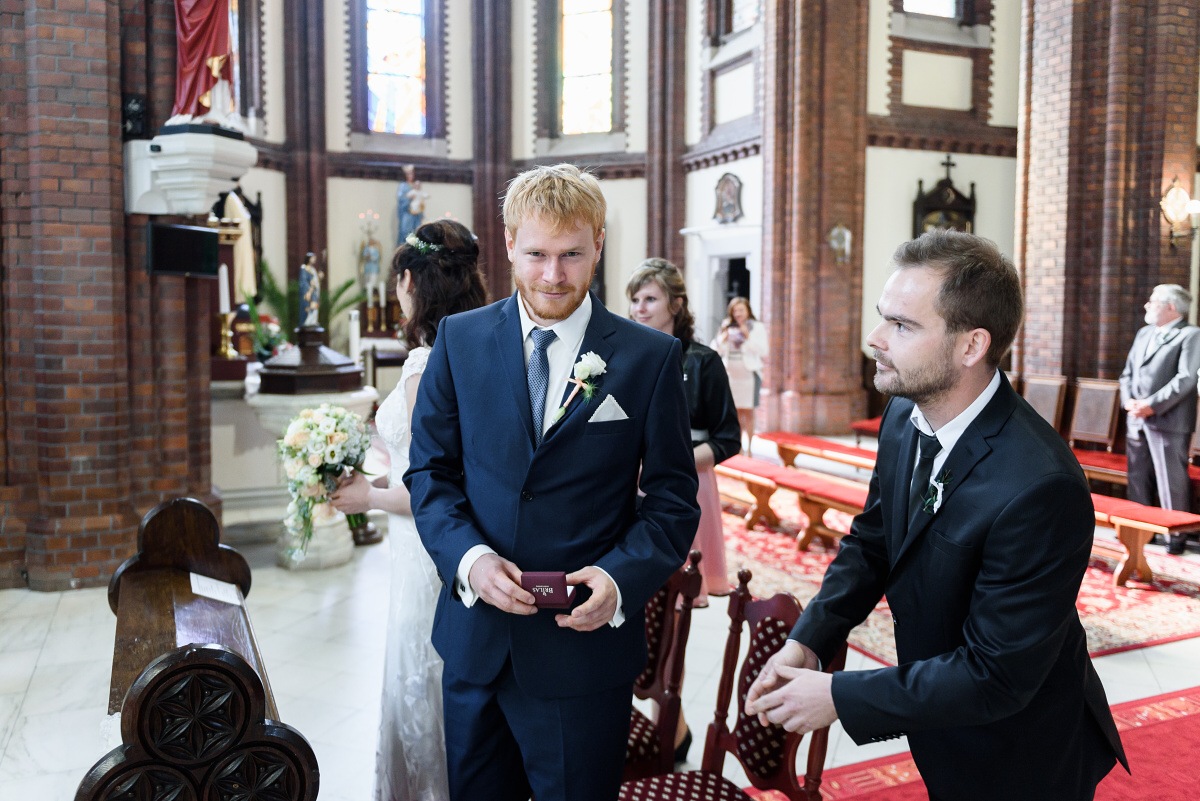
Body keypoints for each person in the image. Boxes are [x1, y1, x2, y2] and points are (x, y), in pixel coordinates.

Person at [744, 230, 1127, 801]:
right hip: (939, 719)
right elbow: (873, 543)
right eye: (883, 317)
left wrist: (840, 697)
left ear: (971, 346)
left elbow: (997, 675)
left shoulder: (1041, 485)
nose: (875, 339)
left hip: (1020, 751)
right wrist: (810, 639)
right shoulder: (904, 416)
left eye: (902, 325)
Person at [405, 163, 700, 801]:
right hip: (477, 642)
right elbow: (430, 472)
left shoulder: (649, 358)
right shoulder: (460, 340)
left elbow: (674, 501)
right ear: (510, 244)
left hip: (582, 654)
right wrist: (470, 559)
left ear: (599, 244)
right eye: (537, 254)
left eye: (572, 254)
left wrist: (619, 578)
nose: (553, 276)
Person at [331, 219, 488, 801]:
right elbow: (423, 465)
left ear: (410, 283)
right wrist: (376, 477)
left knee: (420, 669)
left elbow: (434, 485)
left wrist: (367, 497)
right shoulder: (469, 347)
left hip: (426, 547)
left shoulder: (424, 363)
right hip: (432, 543)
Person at [627, 257, 740, 763]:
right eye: (635, 299)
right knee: (640, 599)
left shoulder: (703, 361)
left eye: (649, 298)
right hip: (631, 487)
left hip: (687, 487)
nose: (639, 308)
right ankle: (658, 716)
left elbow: (729, 438)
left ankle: (667, 719)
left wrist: (668, 461)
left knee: (673, 607)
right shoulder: (627, 353)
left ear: (675, 303)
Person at [1118, 283, 1200, 555]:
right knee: (1137, 477)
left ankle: (1175, 536)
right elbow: (1127, 373)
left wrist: (1151, 406)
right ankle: (1141, 532)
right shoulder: (1144, 333)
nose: (1147, 305)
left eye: (1153, 301)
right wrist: (1129, 402)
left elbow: (1186, 378)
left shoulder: (1190, 335)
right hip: (1136, 417)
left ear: (1171, 307)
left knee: (1170, 480)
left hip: (1168, 420)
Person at [712, 296, 769, 451]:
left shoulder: (756, 327)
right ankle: (738, 447)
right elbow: (714, 349)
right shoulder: (726, 325)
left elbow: (763, 350)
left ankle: (749, 447)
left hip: (748, 374)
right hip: (731, 374)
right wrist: (723, 339)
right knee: (734, 412)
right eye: (735, 310)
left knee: (748, 411)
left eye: (741, 310)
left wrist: (747, 336)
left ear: (748, 311)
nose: (738, 313)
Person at [397, 164, 428, 247]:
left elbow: (420, 197)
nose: (410, 176)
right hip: (407, 213)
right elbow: (400, 199)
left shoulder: (416, 185)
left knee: (416, 231)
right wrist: (409, 199)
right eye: (408, 174)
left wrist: (420, 204)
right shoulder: (403, 186)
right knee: (405, 231)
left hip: (416, 214)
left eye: (411, 173)